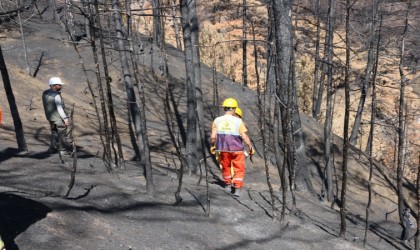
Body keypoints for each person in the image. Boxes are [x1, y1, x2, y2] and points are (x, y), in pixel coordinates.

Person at [210, 98, 254, 197]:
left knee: (226, 167)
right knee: (239, 168)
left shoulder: (217, 120)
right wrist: (250, 146)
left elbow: (213, 137)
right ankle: (237, 189)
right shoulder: (238, 121)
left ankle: (228, 185)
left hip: (223, 148)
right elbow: (245, 137)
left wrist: (213, 145)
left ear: (224, 108)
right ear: (234, 109)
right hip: (237, 149)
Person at [42, 77, 72, 154]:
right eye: (58, 85)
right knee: (62, 134)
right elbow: (60, 108)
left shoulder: (45, 93)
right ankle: (63, 150)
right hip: (58, 118)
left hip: (50, 118)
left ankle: (52, 149)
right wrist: (65, 119)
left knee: (54, 132)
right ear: (53, 85)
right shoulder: (56, 95)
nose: (60, 86)